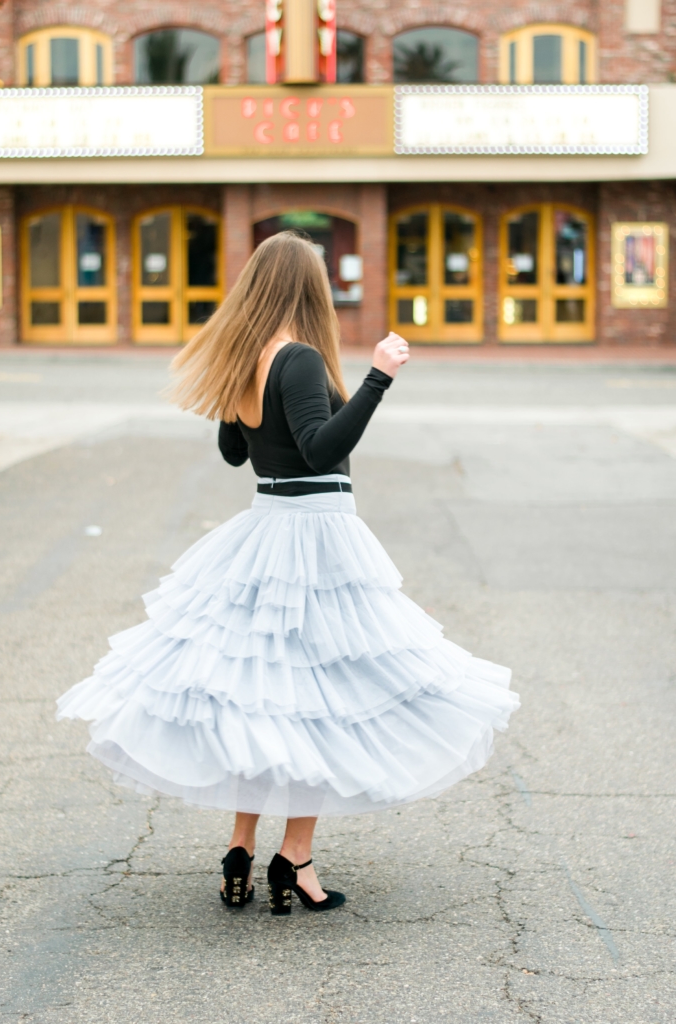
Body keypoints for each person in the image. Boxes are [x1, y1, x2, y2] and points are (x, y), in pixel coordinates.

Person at [57, 231, 519, 916]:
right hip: (314, 535)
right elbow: (321, 448)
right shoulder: (298, 358)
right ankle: (293, 859)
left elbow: (231, 452)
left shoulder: (244, 357)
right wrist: (379, 375)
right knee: (323, 695)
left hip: (264, 530)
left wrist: (240, 395)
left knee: (263, 694)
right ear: (308, 289)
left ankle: (240, 851)